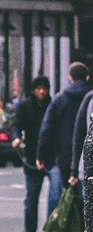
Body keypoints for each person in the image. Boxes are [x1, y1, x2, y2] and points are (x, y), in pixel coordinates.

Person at [36, 60, 91, 217]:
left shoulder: (60, 100)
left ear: (70, 78)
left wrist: (41, 155)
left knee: (68, 195)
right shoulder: (90, 98)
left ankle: (72, 231)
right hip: (88, 156)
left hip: (65, 156)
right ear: (87, 77)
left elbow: (47, 129)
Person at [12, 76, 51, 232]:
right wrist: (16, 138)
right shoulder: (25, 106)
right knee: (31, 201)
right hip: (31, 158)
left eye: (45, 88)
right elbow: (16, 125)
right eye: (39, 88)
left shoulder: (53, 105)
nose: (42, 92)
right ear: (34, 90)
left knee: (56, 196)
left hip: (51, 157)